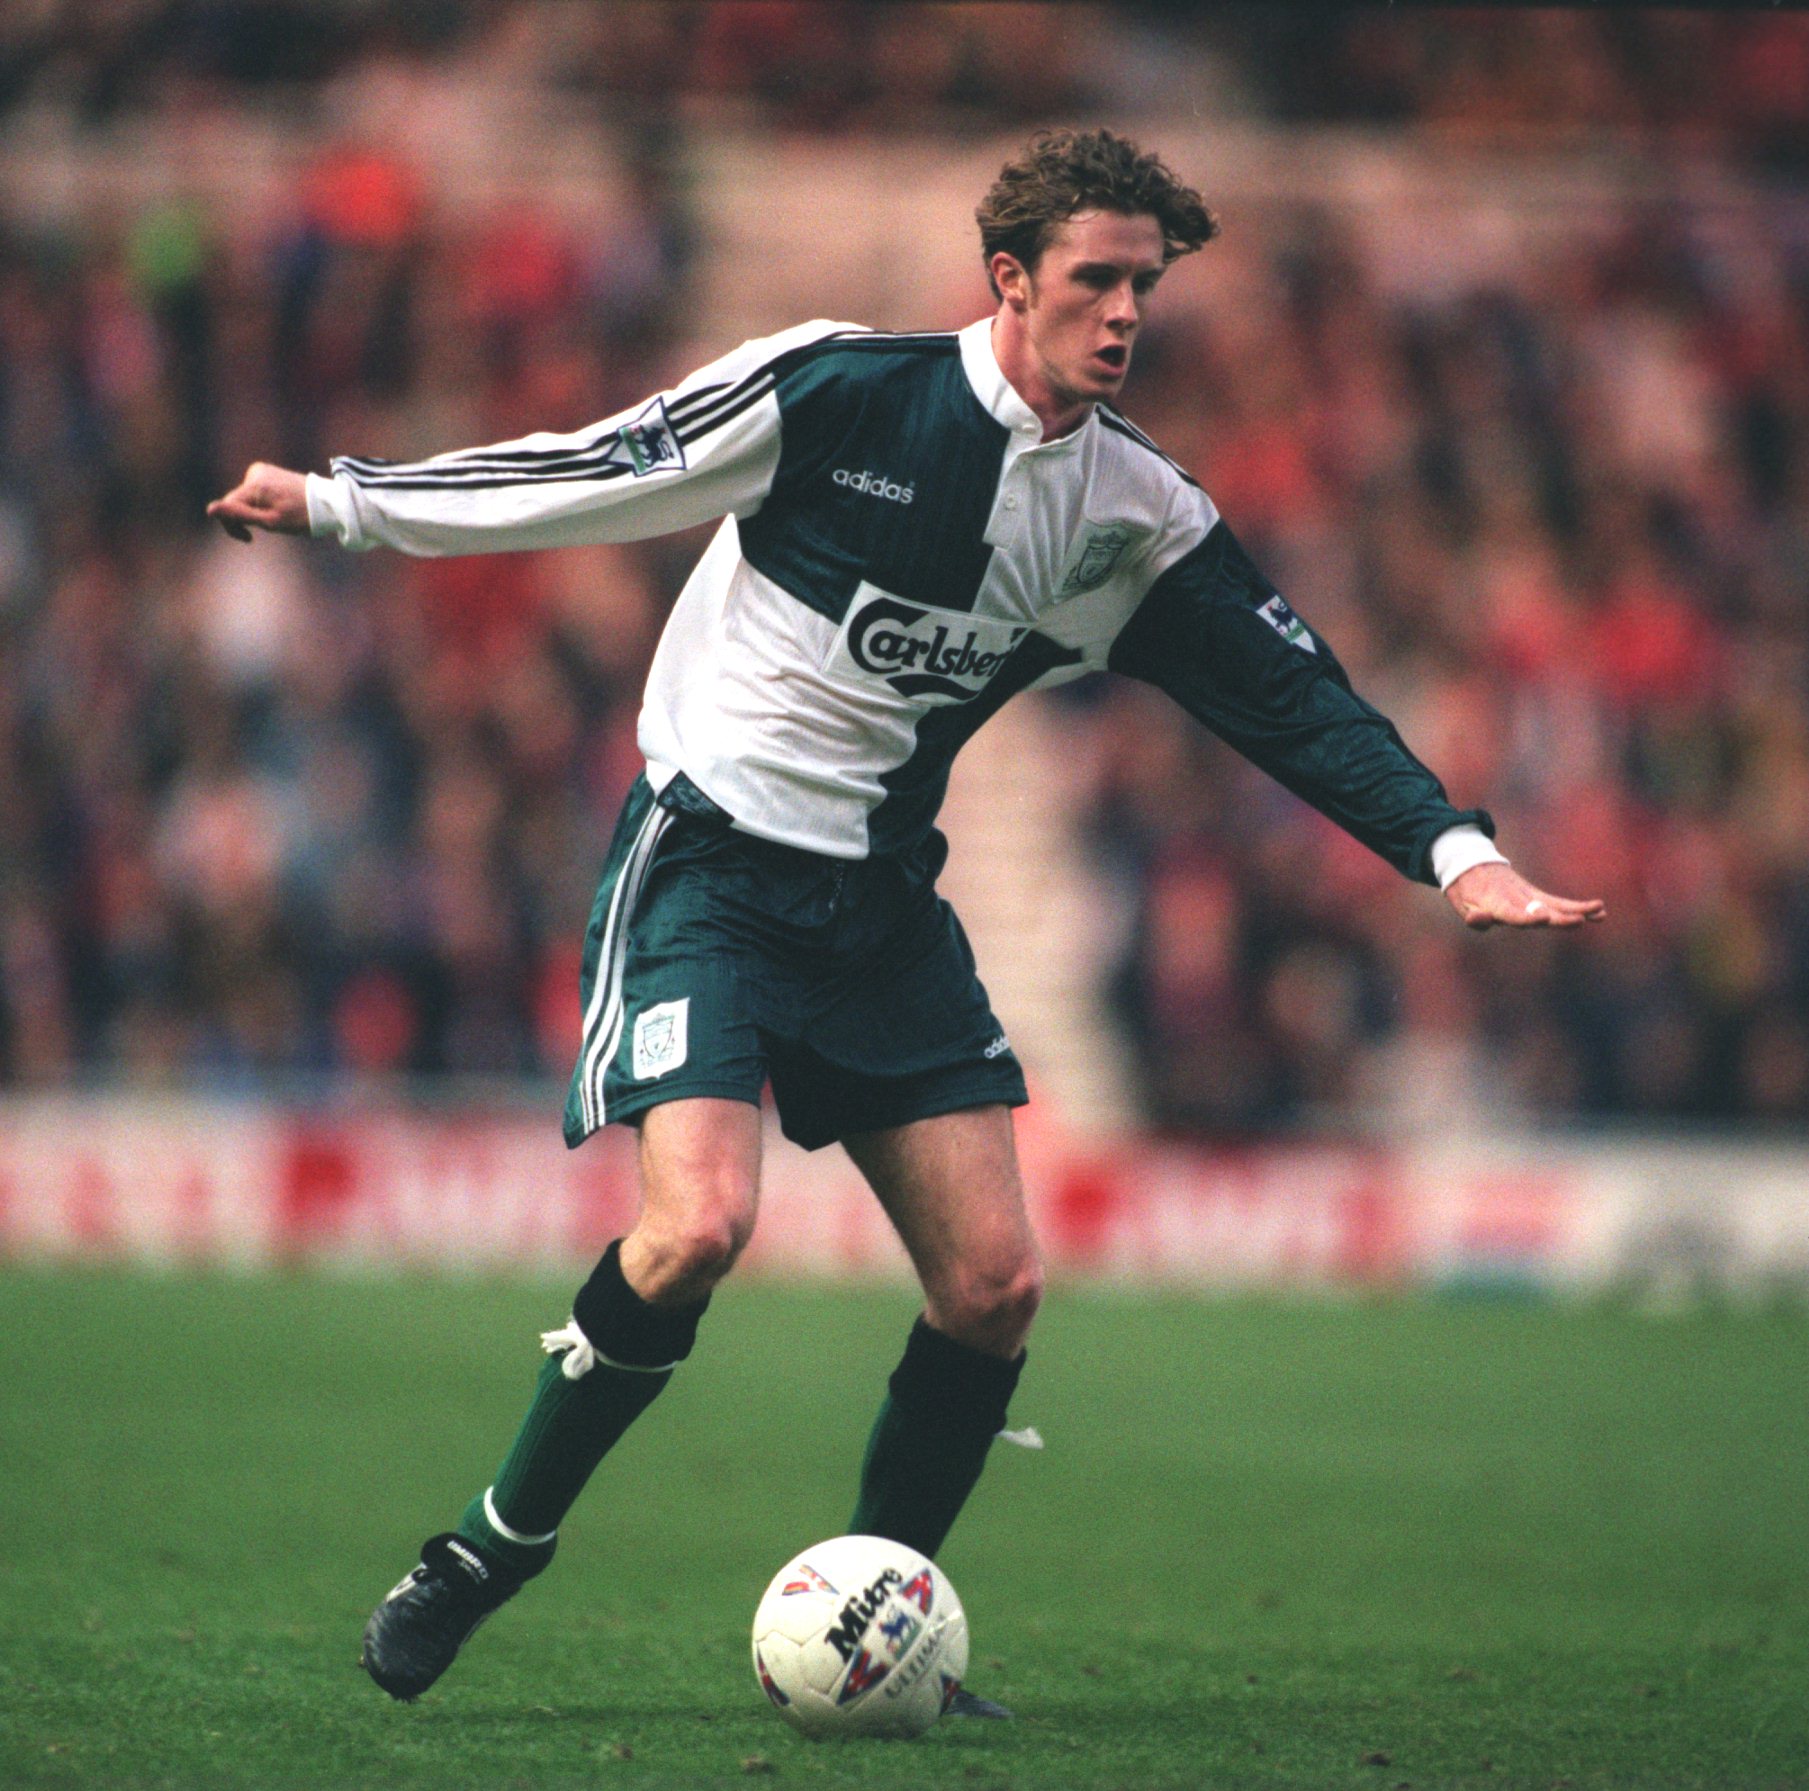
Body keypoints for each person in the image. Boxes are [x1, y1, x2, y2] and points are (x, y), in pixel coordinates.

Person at [208, 127, 1605, 1711]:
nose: (1127, 311)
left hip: (877, 905)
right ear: (1007, 279)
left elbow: (1296, 702)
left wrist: (1450, 850)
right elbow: (599, 473)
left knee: (995, 1284)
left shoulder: (1130, 514)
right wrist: (338, 504)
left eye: (1144, 283)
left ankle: (880, 1626)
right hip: (710, 869)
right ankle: (484, 1551)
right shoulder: (835, 393)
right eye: (1095, 278)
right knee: (697, 1230)